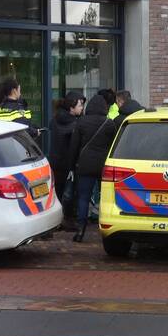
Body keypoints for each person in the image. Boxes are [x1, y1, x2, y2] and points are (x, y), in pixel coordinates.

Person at [67, 94, 116, 243]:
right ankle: (108, 228)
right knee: (106, 199)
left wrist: (71, 166)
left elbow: (73, 147)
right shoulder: (109, 123)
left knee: (83, 198)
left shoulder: (81, 123)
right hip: (104, 167)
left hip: (85, 165)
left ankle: (81, 230)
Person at [49, 92, 84, 230]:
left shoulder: (56, 119)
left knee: (57, 192)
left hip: (56, 161)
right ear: (71, 107)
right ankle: (67, 220)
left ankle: (56, 221)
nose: (82, 107)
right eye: (80, 105)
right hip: (68, 163)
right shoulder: (74, 124)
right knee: (69, 194)